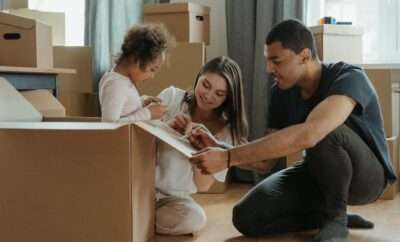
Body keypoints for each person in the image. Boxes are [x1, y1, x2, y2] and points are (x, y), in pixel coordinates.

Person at [189, 19, 397, 242]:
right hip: (317, 173)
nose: (269, 69)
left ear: (305, 56)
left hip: (367, 178)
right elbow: (265, 162)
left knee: (324, 131)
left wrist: (228, 158)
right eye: (268, 61)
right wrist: (219, 147)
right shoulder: (281, 93)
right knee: (246, 217)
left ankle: (335, 219)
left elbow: (310, 133)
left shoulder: (349, 76)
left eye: (276, 61)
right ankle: (324, 215)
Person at [154, 56, 249, 235]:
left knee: (196, 218)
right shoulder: (171, 97)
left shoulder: (227, 133)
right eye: (206, 85)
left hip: (173, 199)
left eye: (219, 94)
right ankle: (139, 217)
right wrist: (166, 129)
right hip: (141, 186)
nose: (208, 95)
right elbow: (137, 141)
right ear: (199, 77)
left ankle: (138, 219)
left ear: (228, 98)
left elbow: (203, 186)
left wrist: (199, 147)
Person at [99, 23, 172, 122]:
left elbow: (124, 110)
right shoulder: (116, 84)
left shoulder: (122, 81)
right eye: (152, 69)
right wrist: (148, 113)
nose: (152, 76)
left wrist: (142, 102)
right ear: (137, 59)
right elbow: (109, 124)